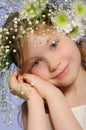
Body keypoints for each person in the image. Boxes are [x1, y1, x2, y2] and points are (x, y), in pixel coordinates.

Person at [0, 0, 86, 130]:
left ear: (70, 32)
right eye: (36, 62)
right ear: (26, 73)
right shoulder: (34, 106)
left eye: (53, 44)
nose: (53, 64)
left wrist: (54, 97)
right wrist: (33, 98)